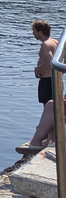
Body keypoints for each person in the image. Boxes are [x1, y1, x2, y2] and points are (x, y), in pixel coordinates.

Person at [19, 20, 60, 154]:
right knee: (55, 108)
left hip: (47, 80)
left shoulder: (45, 45)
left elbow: (49, 62)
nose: (33, 33)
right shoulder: (56, 42)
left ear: (40, 32)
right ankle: (52, 139)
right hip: (56, 80)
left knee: (48, 109)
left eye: (34, 31)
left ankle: (49, 139)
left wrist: (37, 69)